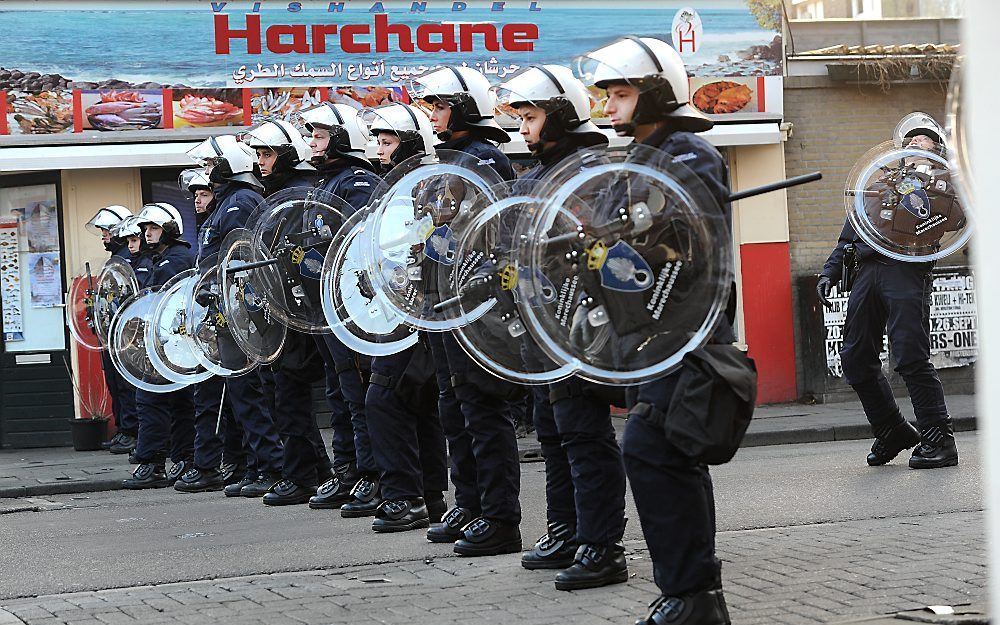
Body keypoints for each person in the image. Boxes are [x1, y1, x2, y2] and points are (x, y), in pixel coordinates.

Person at [578, 36, 736, 624]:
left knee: (652, 450)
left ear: (656, 94)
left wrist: (633, 230)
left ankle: (692, 592)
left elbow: (685, 238)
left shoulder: (688, 151)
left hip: (685, 331)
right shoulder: (633, 160)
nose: (610, 105)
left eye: (621, 93)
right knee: (671, 456)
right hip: (645, 335)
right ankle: (696, 597)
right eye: (608, 95)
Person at [495, 64, 627, 590]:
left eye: (530, 116)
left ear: (562, 116)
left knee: (584, 436)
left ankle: (602, 545)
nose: (523, 128)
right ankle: (565, 530)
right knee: (555, 435)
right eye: (520, 117)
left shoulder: (592, 175)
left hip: (583, 332)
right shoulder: (531, 177)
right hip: (540, 331)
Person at [409, 66, 525, 555]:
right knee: (454, 408)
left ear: (463, 109)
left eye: (439, 106)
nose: (432, 116)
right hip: (442, 301)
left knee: (481, 410)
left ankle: (499, 518)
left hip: (473, 306)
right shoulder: (450, 161)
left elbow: (493, 233)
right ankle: (470, 502)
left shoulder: (484, 159)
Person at [818, 113, 960, 470]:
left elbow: (961, 219)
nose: (917, 141)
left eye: (925, 138)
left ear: (937, 147)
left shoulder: (947, 184)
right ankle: (892, 429)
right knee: (854, 358)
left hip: (907, 271)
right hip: (867, 271)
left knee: (910, 355)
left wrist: (944, 181)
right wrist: (831, 269)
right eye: (911, 138)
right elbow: (853, 232)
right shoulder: (881, 181)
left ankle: (939, 439)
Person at [356, 102, 449, 532]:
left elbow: (424, 249)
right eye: (377, 141)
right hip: (400, 310)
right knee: (418, 403)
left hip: (416, 313)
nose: (380, 149)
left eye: (388, 141)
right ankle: (429, 498)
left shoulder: (424, 187)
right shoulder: (393, 189)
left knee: (383, 399)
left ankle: (404, 497)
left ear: (409, 144)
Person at [241, 119, 340, 506]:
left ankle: (303, 476)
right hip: (284, 309)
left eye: (267, 153)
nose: (261, 161)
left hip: (301, 310)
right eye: (259, 154)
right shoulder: (278, 193)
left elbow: (305, 254)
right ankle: (317, 471)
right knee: (286, 394)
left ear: (284, 155)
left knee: (292, 395)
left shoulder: (296, 194)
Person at [186, 135, 285, 499]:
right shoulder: (227, 203)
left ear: (229, 164)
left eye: (213, 165)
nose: (209, 173)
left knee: (250, 393)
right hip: (227, 308)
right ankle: (256, 465)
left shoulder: (240, 201)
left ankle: (270, 466)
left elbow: (242, 258)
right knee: (242, 394)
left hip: (241, 310)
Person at [298, 102, 385, 512]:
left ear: (341, 139)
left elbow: (355, 243)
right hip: (324, 308)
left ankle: (372, 475)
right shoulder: (324, 184)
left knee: (358, 394)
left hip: (353, 307)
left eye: (319, 136)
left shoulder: (359, 182)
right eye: (311, 136)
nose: (312, 143)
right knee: (338, 394)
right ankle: (347, 470)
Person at [122, 203, 197, 490]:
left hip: (166, 342)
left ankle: (152, 464)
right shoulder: (163, 258)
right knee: (179, 403)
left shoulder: (173, 260)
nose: (147, 234)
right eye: (145, 229)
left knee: (151, 400)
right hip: (172, 343)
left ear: (169, 230)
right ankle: (183, 459)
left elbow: (155, 301)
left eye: (153, 228)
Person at [84, 205, 140, 456]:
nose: (104, 236)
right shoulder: (114, 260)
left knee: (127, 386)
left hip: (125, 336)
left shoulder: (128, 259)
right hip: (110, 335)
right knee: (115, 385)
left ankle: (131, 431)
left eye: (106, 231)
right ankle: (123, 429)